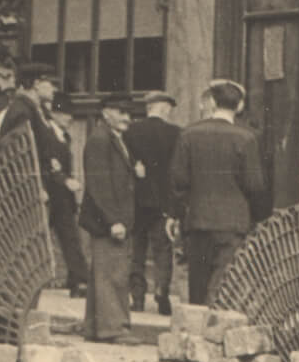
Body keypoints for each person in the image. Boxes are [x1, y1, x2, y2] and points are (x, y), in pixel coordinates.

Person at [168, 79, 267, 304]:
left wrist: (177, 214)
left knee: (198, 285)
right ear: (239, 106)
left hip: (198, 220)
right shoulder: (246, 138)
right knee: (226, 284)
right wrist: (256, 218)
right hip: (233, 222)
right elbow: (255, 185)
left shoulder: (189, 134)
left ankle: (196, 333)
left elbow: (178, 180)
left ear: (212, 102)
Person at [0, 63, 89, 295]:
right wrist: (35, 186)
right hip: (30, 192)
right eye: (50, 83)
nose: (53, 88)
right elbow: (19, 155)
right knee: (25, 243)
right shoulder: (22, 111)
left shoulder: (33, 110)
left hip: (43, 189)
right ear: (36, 84)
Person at [79, 93, 137, 341]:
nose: (127, 118)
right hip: (109, 220)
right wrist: (114, 219)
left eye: (129, 113)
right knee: (113, 274)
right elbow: (99, 183)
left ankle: (95, 327)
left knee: (102, 273)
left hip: (108, 219)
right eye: (121, 112)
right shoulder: (101, 140)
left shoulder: (109, 138)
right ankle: (114, 328)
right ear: (106, 113)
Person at [124, 89, 181, 315]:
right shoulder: (176, 133)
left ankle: (137, 297)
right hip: (163, 203)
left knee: (136, 250)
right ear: (164, 109)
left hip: (137, 201)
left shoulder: (131, 131)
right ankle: (162, 294)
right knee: (163, 250)